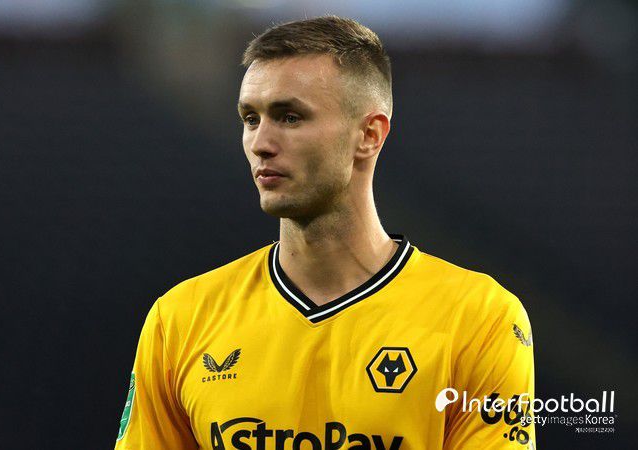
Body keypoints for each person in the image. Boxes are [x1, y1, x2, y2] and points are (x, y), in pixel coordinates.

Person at [115, 16, 536, 450]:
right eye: (250, 118)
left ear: (369, 134)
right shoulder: (181, 319)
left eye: (290, 117)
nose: (260, 143)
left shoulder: (478, 319)